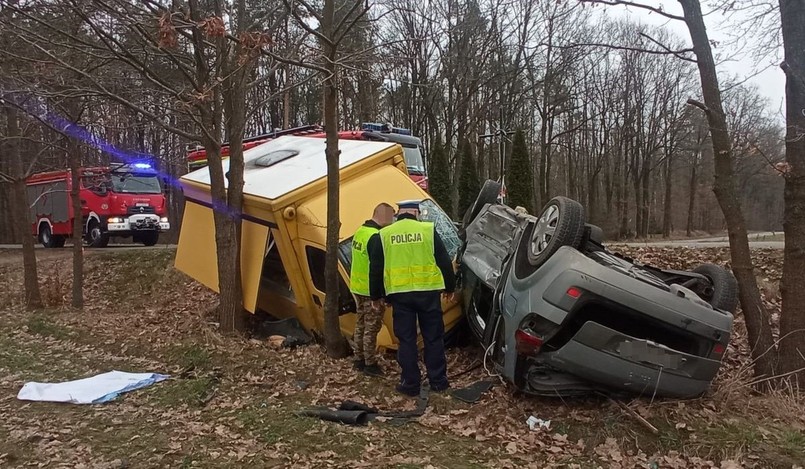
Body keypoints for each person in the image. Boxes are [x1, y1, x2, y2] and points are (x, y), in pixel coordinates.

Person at [368, 200, 457, 397]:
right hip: (428, 294)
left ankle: (410, 383)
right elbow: (443, 260)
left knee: (406, 340)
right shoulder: (427, 230)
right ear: (416, 212)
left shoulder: (383, 235)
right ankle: (438, 381)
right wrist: (450, 287)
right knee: (433, 338)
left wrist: (376, 296)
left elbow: (375, 269)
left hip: (400, 296)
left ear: (399, 213)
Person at [349, 202, 396, 377]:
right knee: (371, 327)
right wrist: (379, 296)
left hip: (357, 287)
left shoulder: (360, 231)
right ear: (383, 216)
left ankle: (359, 359)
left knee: (360, 324)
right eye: (391, 216)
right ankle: (370, 364)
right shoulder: (375, 237)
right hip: (370, 291)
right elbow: (376, 269)